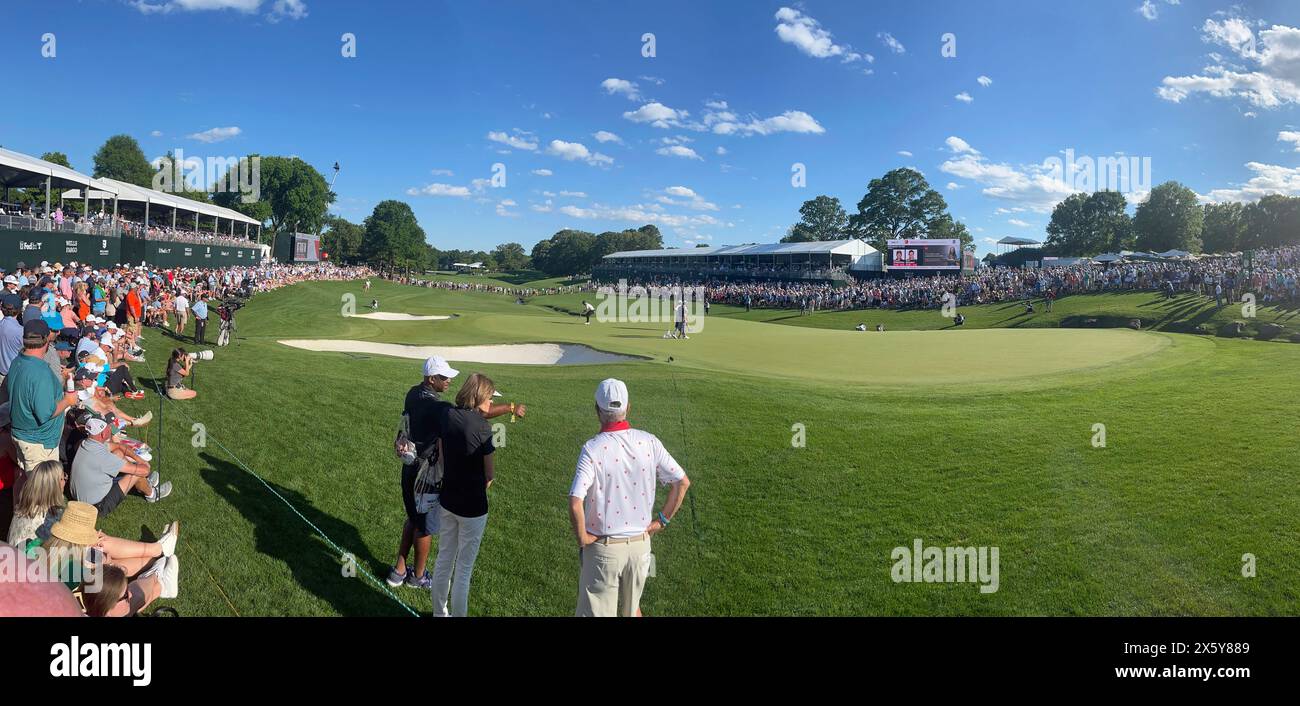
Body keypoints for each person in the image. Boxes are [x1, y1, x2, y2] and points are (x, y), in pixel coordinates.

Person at [569, 379, 690, 617]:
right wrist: (662, 521)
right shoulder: (649, 441)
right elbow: (682, 482)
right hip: (641, 546)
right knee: (633, 609)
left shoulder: (592, 449)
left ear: (597, 410)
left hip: (604, 549)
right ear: (628, 408)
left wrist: (582, 537)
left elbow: (575, 501)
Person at [386, 356, 457, 590]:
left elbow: (405, 422)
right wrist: (508, 408)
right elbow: (467, 419)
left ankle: (398, 572)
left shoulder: (412, 393)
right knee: (425, 526)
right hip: (425, 473)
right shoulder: (438, 406)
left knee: (413, 518)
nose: (448, 381)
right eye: (444, 377)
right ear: (431, 378)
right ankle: (417, 577)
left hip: (409, 468)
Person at [430, 373, 498, 617]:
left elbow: (442, 453)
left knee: (445, 558)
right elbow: (489, 475)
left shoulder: (448, 415)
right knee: (464, 569)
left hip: (448, 500)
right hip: (473, 507)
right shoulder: (482, 427)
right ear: (479, 397)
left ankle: (439, 613)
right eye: (489, 398)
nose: (491, 404)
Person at [6, 320, 78, 473]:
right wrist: (68, 400)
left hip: (22, 434)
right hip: (38, 442)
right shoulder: (40, 372)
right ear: (46, 340)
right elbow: (46, 413)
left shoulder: (17, 361)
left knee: (22, 477)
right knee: (39, 491)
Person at [70, 415, 168, 516]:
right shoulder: (104, 458)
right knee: (137, 473)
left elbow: (119, 446)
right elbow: (145, 471)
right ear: (103, 434)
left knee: (118, 453)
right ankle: (152, 494)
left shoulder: (86, 443)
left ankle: (145, 484)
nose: (111, 429)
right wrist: (144, 464)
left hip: (81, 496)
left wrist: (139, 459)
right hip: (96, 507)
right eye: (109, 427)